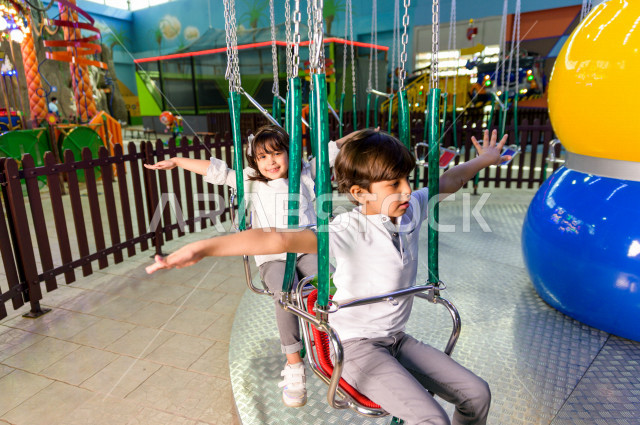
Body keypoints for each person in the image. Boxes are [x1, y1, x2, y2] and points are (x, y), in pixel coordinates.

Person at [146, 128, 508, 425]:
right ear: (358, 193)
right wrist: (205, 247)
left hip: (394, 338)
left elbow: (449, 180)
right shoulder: (344, 230)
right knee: (432, 421)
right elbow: (276, 237)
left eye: (406, 180)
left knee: (477, 394)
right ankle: (294, 360)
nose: (407, 190)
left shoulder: (409, 209)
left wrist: (484, 160)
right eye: (394, 184)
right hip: (357, 347)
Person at [144, 125, 342, 408]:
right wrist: (177, 161)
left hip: (305, 247)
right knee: (284, 294)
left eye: (277, 154)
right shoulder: (251, 180)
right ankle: (294, 365)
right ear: (255, 162)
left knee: (330, 282)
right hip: (271, 256)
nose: (270, 162)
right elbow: (217, 171)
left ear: (291, 153)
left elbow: (334, 151)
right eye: (262, 157)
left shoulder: (306, 172)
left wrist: (365, 135)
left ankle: (339, 344)